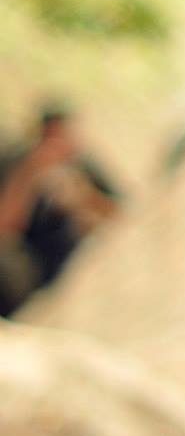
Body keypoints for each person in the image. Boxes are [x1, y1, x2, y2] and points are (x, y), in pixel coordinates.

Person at [0, 102, 122, 316]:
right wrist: (29, 177)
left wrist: (84, 198)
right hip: (25, 268)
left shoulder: (83, 166)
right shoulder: (19, 161)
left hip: (76, 268)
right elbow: (6, 228)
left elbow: (122, 217)